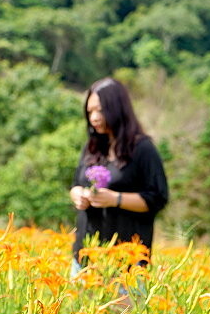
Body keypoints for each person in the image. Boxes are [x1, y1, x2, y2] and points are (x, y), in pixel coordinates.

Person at [68, 77, 169, 299]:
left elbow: (158, 198)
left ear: (118, 109)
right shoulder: (93, 147)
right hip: (85, 260)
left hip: (125, 267)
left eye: (100, 110)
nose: (94, 118)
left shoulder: (142, 149)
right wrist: (78, 195)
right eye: (89, 111)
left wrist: (115, 199)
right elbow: (75, 183)